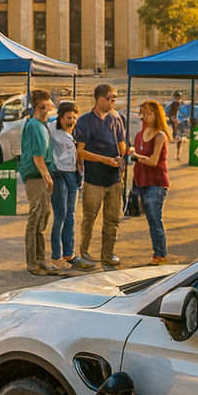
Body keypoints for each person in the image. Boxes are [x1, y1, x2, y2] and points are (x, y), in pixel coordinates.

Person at [74, 84, 127, 270]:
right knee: (89, 217)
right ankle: (85, 252)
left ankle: (108, 253)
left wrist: (121, 154)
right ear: (100, 98)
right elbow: (81, 152)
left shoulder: (116, 118)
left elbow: (122, 141)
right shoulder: (85, 121)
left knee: (112, 219)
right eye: (111, 98)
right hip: (94, 178)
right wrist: (105, 160)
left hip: (114, 178)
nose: (113, 101)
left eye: (114, 98)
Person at [48, 101, 95, 272]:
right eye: (68, 118)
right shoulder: (51, 129)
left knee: (71, 216)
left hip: (73, 174)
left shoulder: (76, 131)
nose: (72, 121)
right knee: (60, 215)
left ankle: (69, 253)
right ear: (60, 117)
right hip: (58, 173)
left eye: (74, 118)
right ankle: (56, 254)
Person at [18, 90, 59, 276]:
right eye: (43, 108)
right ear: (36, 108)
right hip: (35, 175)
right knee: (36, 217)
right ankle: (33, 262)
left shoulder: (41, 125)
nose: (47, 111)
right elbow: (37, 154)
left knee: (43, 216)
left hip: (40, 173)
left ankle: (40, 259)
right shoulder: (34, 125)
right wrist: (45, 174)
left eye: (48, 107)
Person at [133, 101, 171, 265]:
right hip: (141, 180)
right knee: (150, 218)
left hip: (156, 181)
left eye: (150, 113)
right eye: (144, 112)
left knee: (155, 218)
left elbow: (154, 161)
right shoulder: (139, 135)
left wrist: (137, 157)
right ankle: (158, 252)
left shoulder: (160, 135)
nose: (146, 116)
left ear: (157, 115)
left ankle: (160, 254)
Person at [166, 91, 183, 160]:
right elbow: (170, 114)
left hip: (178, 122)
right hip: (174, 122)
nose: (177, 98)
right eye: (176, 97)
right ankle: (177, 154)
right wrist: (174, 119)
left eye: (178, 97)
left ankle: (178, 155)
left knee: (179, 138)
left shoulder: (181, 104)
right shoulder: (173, 104)